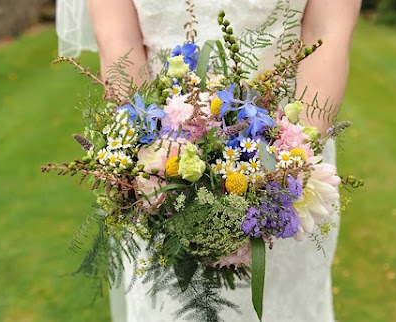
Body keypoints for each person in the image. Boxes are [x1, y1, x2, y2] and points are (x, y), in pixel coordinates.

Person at [57, 0, 361, 321]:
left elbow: (326, 34)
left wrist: (287, 159)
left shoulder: (285, 167)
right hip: (165, 169)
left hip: (284, 167)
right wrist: (160, 161)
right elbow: (120, 44)